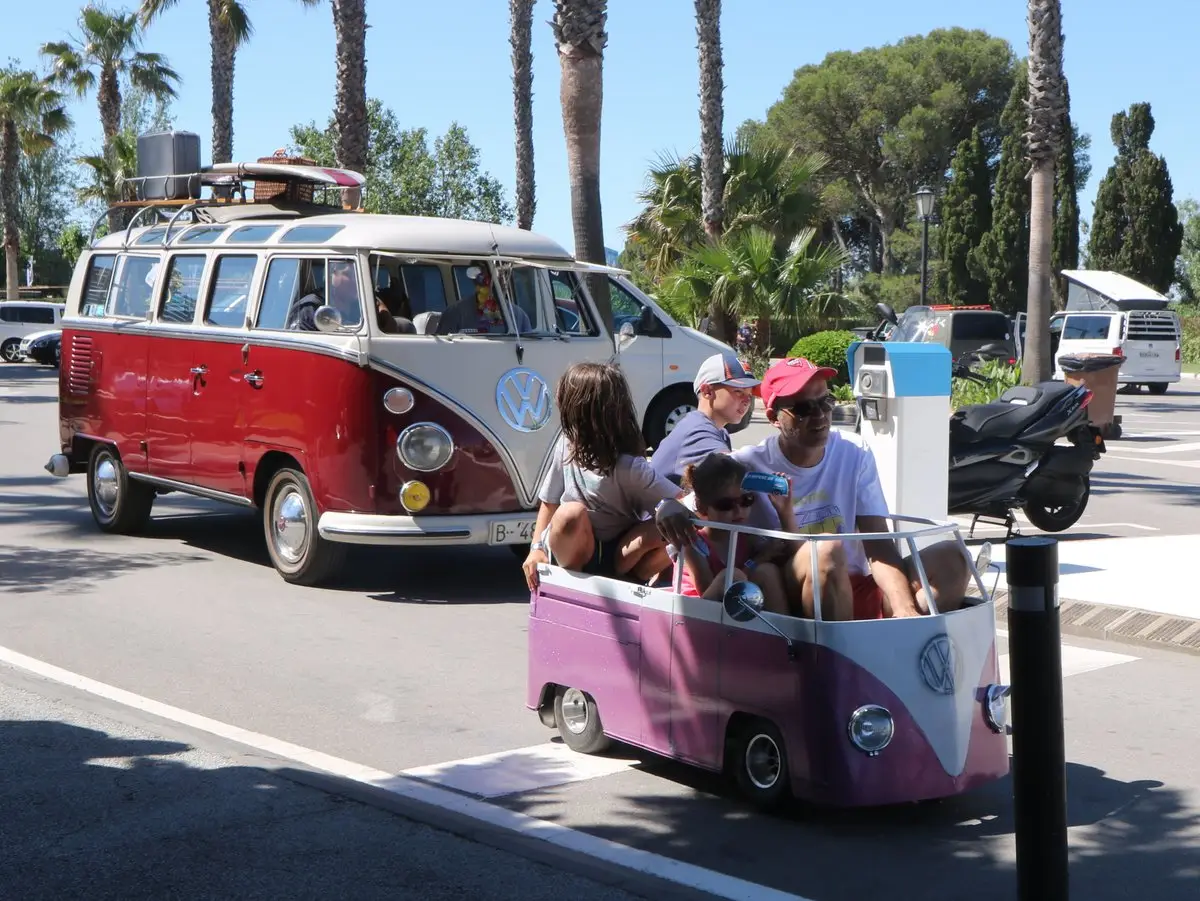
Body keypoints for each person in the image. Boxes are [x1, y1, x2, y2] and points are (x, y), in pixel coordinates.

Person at [656, 357, 969, 621]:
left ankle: (902, 645)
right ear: (773, 417)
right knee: (827, 550)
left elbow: (879, 544)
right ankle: (837, 659)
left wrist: (904, 608)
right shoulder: (748, 464)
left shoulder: (854, 452)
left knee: (953, 557)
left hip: (855, 584)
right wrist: (668, 506)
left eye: (825, 402)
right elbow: (696, 500)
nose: (819, 415)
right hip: (794, 593)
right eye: (803, 408)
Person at [522, 361, 683, 591]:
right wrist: (536, 548)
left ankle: (631, 580)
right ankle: (575, 584)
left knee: (674, 524)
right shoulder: (566, 444)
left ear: (579, 409)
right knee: (570, 513)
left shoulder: (629, 467)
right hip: (575, 549)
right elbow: (549, 502)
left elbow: (681, 502)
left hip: (621, 552)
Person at [673, 453, 790, 613]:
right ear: (702, 507)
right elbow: (709, 592)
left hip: (732, 613)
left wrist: (784, 511)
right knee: (731, 575)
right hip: (696, 615)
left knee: (767, 571)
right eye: (726, 505)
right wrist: (757, 560)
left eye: (746, 500)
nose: (738, 510)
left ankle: (782, 627)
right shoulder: (693, 545)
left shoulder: (746, 538)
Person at [650, 352, 758, 483]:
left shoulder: (719, 432)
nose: (747, 401)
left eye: (749, 394)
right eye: (738, 391)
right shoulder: (697, 431)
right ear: (707, 391)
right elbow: (734, 471)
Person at [437, 264, 532, 335]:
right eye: (487, 279)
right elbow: (442, 351)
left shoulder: (519, 316)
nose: (501, 283)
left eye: (502, 278)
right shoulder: (455, 313)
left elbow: (528, 350)